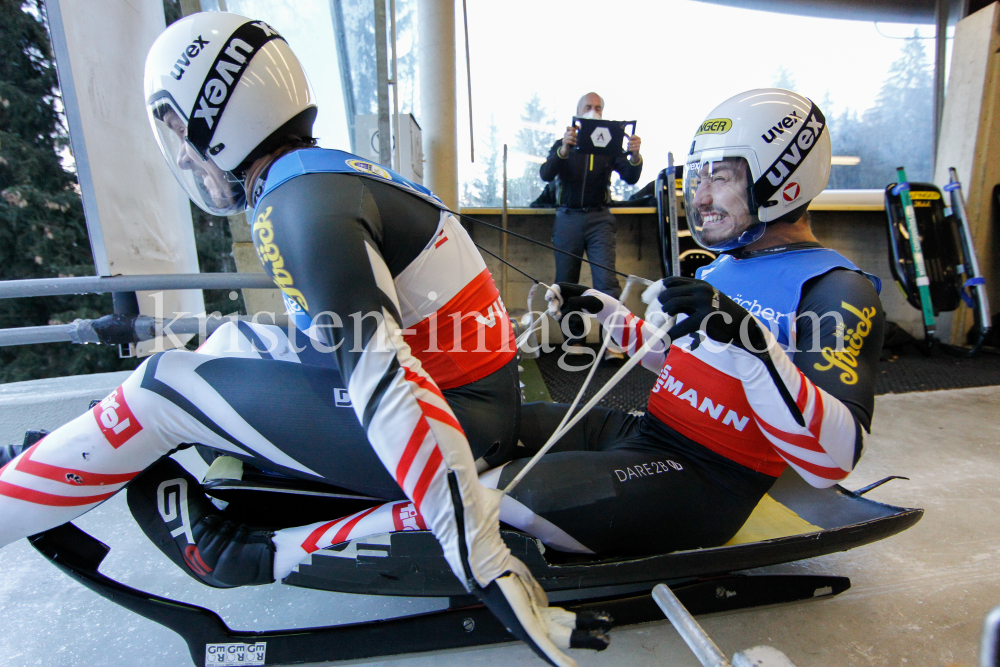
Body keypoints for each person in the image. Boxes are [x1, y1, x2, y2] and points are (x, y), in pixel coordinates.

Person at [0, 13, 609, 667]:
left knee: (161, 385)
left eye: (181, 132)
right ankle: (59, 464)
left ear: (218, 114)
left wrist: (482, 554)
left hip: (456, 415)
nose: (182, 155)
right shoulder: (312, 177)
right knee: (229, 341)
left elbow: (385, 378)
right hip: (473, 396)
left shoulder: (295, 202)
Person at [503, 87, 885, 555]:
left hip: (705, 476)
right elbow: (677, 362)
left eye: (720, 178)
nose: (701, 197)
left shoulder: (838, 289)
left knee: (522, 490)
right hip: (648, 433)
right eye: (699, 178)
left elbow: (833, 460)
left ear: (784, 179)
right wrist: (609, 311)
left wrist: (752, 344)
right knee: (491, 423)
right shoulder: (719, 268)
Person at [539, 93, 642, 359]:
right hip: (568, 218)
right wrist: (563, 148)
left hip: (599, 218)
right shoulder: (565, 144)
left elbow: (630, 176)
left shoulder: (609, 146)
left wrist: (635, 155)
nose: (593, 111)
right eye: (588, 107)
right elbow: (546, 174)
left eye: (598, 108)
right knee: (566, 283)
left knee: (607, 282)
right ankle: (574, 341)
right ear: (577, 111)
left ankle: (613, 345)